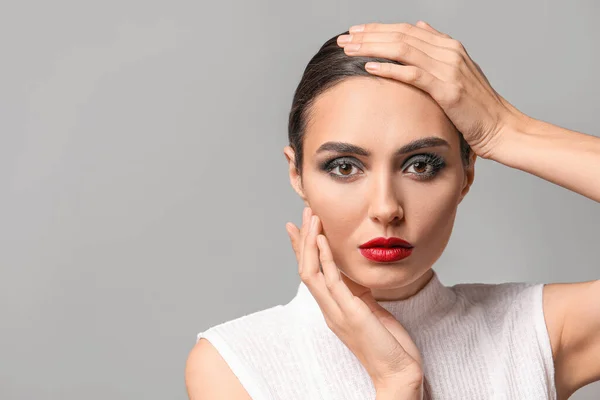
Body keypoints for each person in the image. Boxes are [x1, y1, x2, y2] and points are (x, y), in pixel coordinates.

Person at [185, 21, 600, 400]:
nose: (386, 208)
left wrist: (505, 130)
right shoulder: (234, 365)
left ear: (466, 176)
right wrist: (397, 383)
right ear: (297, 175)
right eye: (345, 167)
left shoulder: (535, 331)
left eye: (420, 165)